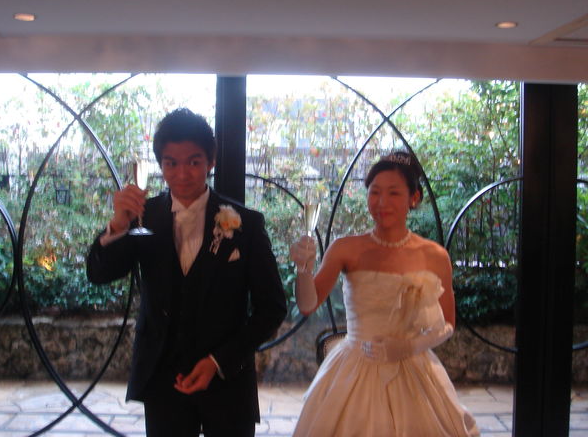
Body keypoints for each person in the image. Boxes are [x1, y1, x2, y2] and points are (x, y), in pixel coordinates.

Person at [86, 108, 287, 437]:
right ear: (161, 165)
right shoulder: (142, 217)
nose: (182, 173)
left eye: (194, 162)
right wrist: (118, 224)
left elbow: (272, 308)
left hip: (227, 381)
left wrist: (218, 361)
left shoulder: (246, 224)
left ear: (211, 161)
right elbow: (98, 273)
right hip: (163, 378)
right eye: (171, 163)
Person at [289, 150, 479, 436]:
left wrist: (406, 348)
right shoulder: (345, 248)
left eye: (393, 193)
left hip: (413, 369)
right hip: (353, 368)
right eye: (375, 192)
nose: (381, 202)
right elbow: (307, 305)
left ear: (414, 198)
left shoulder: (434, 255)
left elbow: (448, 324)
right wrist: (303, 268)